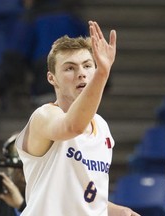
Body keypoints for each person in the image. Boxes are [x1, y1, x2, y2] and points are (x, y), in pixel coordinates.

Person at [15, 21, 140, 216]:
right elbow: (72, 126)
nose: (81, 73)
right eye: (70, 68)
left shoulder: (101, 126)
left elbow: (85, 197)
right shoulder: (44, 116)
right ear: (51, 78)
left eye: (88, 66)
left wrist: (118, 211)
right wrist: (102, 73)